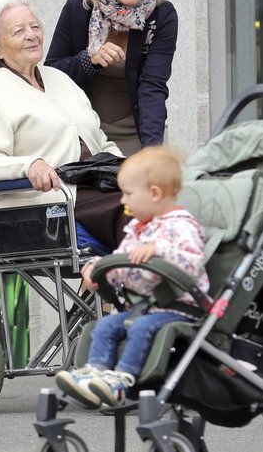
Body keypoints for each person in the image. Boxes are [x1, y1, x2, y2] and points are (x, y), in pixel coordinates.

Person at [0, 0, 128, 249]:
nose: (31, 35)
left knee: (157, 198)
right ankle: (137, 281)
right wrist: (30, 165)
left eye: (35, 27)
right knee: (134, 210)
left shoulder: (59, 79)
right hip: (52, 203)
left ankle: (137, 280)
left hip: (96, 186)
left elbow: (101, 142)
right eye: (19, 31)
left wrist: (129, 169)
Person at [54, 145, 208, 408]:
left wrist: (158, 251)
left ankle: (123, 380)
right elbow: (121, 260)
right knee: (104, 326)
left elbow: (192, 263)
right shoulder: (137, 230)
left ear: (155, 194)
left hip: (180, 307)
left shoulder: (181, 226)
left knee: (140, 327)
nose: (122, 201)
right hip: (145, 307)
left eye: (127, 194)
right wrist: (98, 269)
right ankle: (96, 375)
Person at [45, 0, 178, 155]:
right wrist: (89, 59)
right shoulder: (79, 8)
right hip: (82, 134)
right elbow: (51, 74)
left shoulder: (161, 15)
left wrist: (152, 151)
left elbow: (152, 87)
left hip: (136, 132)